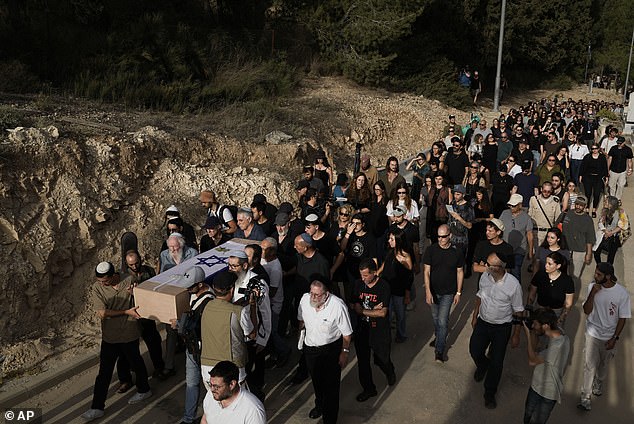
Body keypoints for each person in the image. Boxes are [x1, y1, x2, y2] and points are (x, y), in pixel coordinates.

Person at [81, 262, 151, 422]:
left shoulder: (129, 279)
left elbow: (141, 299)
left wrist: (134, 293)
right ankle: (97, 407)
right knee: (104, 373)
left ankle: (144, 389)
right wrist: (125, 311)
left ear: (113, 276)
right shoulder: (97, 288)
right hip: (110, 336)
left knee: (136, 362)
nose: (102, 283)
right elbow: (102, 313)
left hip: (129, 332)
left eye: (105, 280)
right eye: (100, 281)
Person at [469, 252, 524, 409]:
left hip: (502, 327)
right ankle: (483, 364)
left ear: (500, 268)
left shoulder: (513, 285)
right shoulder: (485, 277)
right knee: (474, 349)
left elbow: (519, 311)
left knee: (497, 362)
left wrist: (516, 335)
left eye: (489, 265)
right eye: (486, 263)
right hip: (483, 323)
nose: (485, 267)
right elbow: (480, 296)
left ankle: (490, 392)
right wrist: (475, 316)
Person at [577, 262, 631, 411]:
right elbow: (587, 311)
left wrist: (615, 338)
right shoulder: (592, 287)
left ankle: (599, 381)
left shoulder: (621, 293)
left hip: (609, 337)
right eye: (596, 273)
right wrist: (593, 294)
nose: (595, 276)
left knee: (602, 365)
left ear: (608, 277)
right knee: (589, 365)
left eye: (599, 274)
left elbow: (622, 318)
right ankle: (585, 397)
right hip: (592, 333)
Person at [298, 280, 353, 423]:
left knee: (331, 388)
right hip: (310, 349)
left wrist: (344, 352)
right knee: (316, 381)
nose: (313, 298)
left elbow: (346, 333)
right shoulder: (304, 300)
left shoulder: (337, 306)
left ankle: (330, 419)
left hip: (330, 351)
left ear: (326, 294)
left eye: (317, 295)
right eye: (312, 293)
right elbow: (301, 320)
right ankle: (320, 406)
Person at [116, 251, 165, 389]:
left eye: (136, 263)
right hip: (131, 316)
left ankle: (159, 368)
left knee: (154, 342)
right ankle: (125, 378)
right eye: (131, 264)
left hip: (146, 314)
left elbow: (156, 287)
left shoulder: (148, 271)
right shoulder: (122, 277)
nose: (135, 266)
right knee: (127, 349)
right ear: (126, 264)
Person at [200, 271, 254, 390]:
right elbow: (252, 334)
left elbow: (222, 308)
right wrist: (253, 306)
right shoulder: (239, 311)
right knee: (238, 404)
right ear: (232, 289)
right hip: (232, 368)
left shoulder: (206, 306)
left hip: (207, 368)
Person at [173, 266, 214, 424]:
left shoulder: (209, 301)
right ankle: (188, 418)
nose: (188, 290)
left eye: (190, 287)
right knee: (191, 384)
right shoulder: (194, 295)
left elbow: (199, 327)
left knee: (211, 387)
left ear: (201, 284)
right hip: (191, 348)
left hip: (203, 350)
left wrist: (179, 325)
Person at [352, 259, 396, 402]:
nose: (363, 278)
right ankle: (369, 389)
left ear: (374, 273)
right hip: (362, 330)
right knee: (363, 362)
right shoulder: (358, 284)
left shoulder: (383, 287)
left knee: (381, 359)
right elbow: (353, 304)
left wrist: (363, 311)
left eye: (366, 275)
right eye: (361, 275)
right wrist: (370, 310)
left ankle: (389, 371)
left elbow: (382, 313)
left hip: (379, 331)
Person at [522, 308, 570, 424]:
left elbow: (532, 361)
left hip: (548, 392)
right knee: (527, 416)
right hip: (536, 385)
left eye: (536, 324)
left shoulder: (557, 346)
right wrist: (533, 330)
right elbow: (535, 348)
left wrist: (528, 335)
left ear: (546, 326)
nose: (533, 326)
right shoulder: (558, 333)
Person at [424, 224, 464, 362]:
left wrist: (458, 292)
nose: (440, 239)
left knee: (442, 321)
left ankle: (439, 351)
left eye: (443, 237)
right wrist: (428, 292)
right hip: (434, 291)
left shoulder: (457, 252)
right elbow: (426, 272)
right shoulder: (431, 250)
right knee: (436, 319)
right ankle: (439, 336)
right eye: (438, 236)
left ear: (450, 236)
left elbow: (460, 272)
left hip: (448, 292)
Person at [200, 360, 266, 424]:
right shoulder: (211, 395)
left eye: (217, 386)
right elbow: (205, 420)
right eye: (210, 384)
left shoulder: (253, 410)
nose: (212, 389)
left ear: (232, 384)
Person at [378, 229, 414, 343]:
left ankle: (401, 334)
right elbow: (385, 264)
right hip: (387, 289)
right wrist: (377, 273)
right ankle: (386, 335)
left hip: (399, 292)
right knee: (387, 315)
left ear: (398, 241)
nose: (389, 241)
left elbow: (409, 277)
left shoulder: (405, 257)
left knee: (400, 315)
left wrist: (407, 294)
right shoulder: (390, 252)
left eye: (392, 239)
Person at [260, 237, 290, 368]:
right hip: (266, 303)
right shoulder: (264, 259)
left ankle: (284, 350)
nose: (261, 251)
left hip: (273, 304)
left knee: (272, 331)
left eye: (264, 249)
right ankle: (273, 353)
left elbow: (272, 291)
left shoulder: (276, 269)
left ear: (272, 251)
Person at [527, 251, 574, 326]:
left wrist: (562, 317)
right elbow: (532, 294)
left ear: (558, 266)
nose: (546, 266)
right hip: (540, 309)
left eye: (550, 264)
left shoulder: (567, 280)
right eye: (546, 263)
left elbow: (568, 303)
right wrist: (529, 308)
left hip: (556, 313)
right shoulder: (540, 275)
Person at [499, 194, 534, 285]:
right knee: (504, 272)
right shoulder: (504, 213)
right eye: (510, 205)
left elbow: (529, 235)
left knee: (515, 271)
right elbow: (498, 228)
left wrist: (530, 252)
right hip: (505, 249)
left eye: (514, 205)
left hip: (519, 250)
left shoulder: (526, 218)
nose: (511, 207)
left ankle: (516, 294)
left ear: (520, 205)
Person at [560, 195, 595, 284]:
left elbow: (590, 238)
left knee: (574, 276)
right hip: (565, 249)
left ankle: (571, 295)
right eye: (577, 204)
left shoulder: (588, 220)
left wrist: (589, 254)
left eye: (581, 205)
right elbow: (558, 227)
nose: (578, 207)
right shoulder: (568, 213)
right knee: (561, 273)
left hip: (579, 251)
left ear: (585, 206)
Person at [593, 195, 628, 264]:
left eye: (606, 202)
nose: (604, 202)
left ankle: (608, 270)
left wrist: (610, 233)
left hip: (614, 237)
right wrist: (605, 230)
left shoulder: (620, 212)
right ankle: (599, 266)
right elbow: (600, 222)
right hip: (604, 234)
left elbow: (622, 225)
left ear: (611, 204)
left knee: (611, 257)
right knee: (596, 252)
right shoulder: (605, 210)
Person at [579, 144, 608, 217]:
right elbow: (582, 167)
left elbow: (605, 167)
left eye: (596, 148)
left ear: (598, 149)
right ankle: (587, 208)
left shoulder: (602, 157)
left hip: (598, 178)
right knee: (588, 194)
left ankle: (594, 209)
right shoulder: (587, 157)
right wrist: (580, 175)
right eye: (592, 149)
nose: (594, 150)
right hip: (588, 177)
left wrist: (606, 176)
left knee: (596, 194)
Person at [528, 182, 561, 246]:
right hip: (536, 232)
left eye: (548, 191)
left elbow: (557, 218)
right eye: (544, 191)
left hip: (548, 233)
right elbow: (530, 215)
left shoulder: (555, 201)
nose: (546, 193)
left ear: (551, 191)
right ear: (541, 189)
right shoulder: (533, 199)